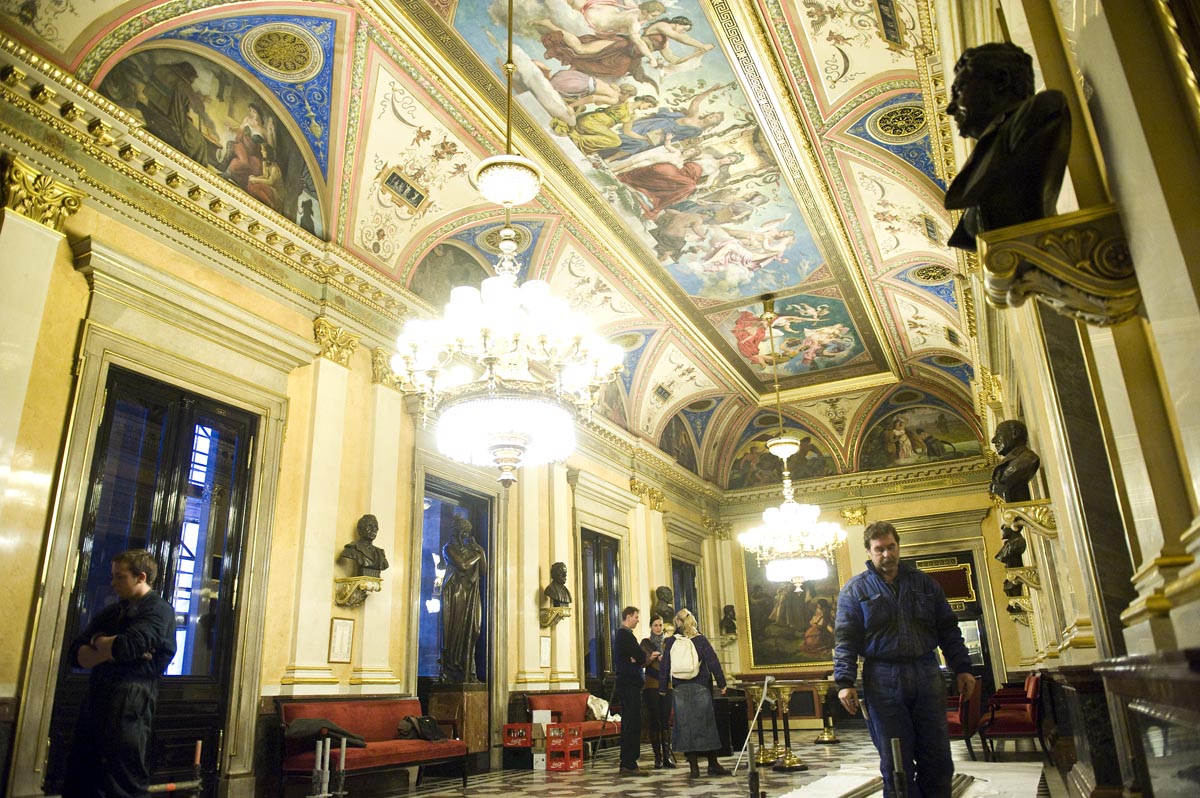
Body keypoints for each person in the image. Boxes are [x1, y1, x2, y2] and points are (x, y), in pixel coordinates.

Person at [834, 521, 976, 798]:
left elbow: (948, 630)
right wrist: (844, 682)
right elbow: (845, 639)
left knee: (937, 757)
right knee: (895, 759)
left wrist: (962, 668)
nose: (886, 554)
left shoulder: (925, 584)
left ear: (898, 546)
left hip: (927, 672)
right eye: (879, 549)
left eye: (891, 547)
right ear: (869, 552)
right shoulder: (855, 590)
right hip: (882, 678)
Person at [63, 549, 177, 798]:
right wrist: (103, 642)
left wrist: (97, 645)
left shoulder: (159, 611)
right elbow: (74, 654)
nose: (113, 582)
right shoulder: (112, 612)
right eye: (113, 576)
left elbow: (127, 646)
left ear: (141, 577)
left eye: (120, 577)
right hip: (96, 699)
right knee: (82, 776)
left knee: (122, 780)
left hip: (131, 702)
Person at [943, 42, 1071, 251]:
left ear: (1001, 80)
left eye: (959, 90)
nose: (950, 108)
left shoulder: (1043, 110)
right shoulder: (993, 146)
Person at [659, 608, 730, 778]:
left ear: (678, 622)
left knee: (685, 727)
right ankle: (713, 764)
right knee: (706, 725)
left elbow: (664, 665)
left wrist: (662, 688)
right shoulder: (700, 640)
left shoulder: (671, 642)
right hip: (700, 686)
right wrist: (722, 683)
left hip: (679, 689)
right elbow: (713, 662)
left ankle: (694, 768)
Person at [440, 515, 486, 683]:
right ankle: (455, 670)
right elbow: (463, 565)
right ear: (457, 532)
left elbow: (484, 571)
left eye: (468, 531)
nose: (466, 535)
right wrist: (478, 555)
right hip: (457, 593)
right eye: (464, 531)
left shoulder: (471, 551)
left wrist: (481, 552)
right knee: (456, 632)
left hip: (471, 592)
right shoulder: (449, 548)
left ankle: (470, 670)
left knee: (475, 630)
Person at [613, 605, 653, 776]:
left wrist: (636, 658)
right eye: (636, 617)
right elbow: (641, 656)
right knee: (632, 724)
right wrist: (637, 658)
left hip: (629, 684)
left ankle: (629, 763)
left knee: (632, 723)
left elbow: (638, 657)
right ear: (628, 617)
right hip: (629, 684)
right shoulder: (625, 635)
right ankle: (629, 763)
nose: (638, 620)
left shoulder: (624, 635)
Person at [640, 614, 675, 768]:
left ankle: (667, 757)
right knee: (654, 720)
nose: (659, 628)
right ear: (651, 626)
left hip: (667, 684)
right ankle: (657, 758)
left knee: (666, 720)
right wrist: (651, 658)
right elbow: (642, 663)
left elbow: (675, 661)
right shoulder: (646, 643)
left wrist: (665, 659)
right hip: (651, 685)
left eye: (660, 625)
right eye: (655, 625)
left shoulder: (668, 643)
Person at [989, 419, 1041, 502]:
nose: (993, 440)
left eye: (998, 434)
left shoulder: (1028, 459)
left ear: (1015, 433)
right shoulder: (1010, 462)